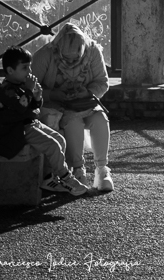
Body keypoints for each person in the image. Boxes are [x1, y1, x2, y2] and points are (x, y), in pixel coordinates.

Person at [0, 47, 89, 196]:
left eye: (29, 66)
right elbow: (20, 109)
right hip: (17, 129)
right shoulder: (7, 90)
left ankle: (49, 177)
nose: (29, 71)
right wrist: (28, 91)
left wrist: (37, 97)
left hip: (29, 124)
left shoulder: (21, 85)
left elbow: (32, 108)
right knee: (52, 145)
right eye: (24, 67)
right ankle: (65, 177)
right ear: (10, 70)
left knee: (59, 139)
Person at [32, 23, 114, 194]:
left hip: (85, 102)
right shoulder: (44, 55)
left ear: (83, 49)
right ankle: (78, 169)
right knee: (72, 121)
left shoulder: (93, 52)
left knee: (100, 119)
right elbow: (30, 87)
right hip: (56, 106)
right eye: (66, 58)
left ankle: (102, 169)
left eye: (75, 58)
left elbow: (102, 82)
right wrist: (53, 94)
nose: (70, 62)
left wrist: (87, 92)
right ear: (58, 49)